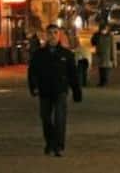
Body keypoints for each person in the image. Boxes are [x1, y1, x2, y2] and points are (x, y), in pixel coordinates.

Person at [27, 24, 82, 157]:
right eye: (50, 33)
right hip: (44, 90)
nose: (52, 36)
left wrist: (76, 91)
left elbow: (73, 74)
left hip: (60, 90)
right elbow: (32, 72)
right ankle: (50, 142)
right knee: (45, 118)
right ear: (46, 35)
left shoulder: (66, 54)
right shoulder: (39, 54)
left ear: (59, 35)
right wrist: (33, 87)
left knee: (60, 118)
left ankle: (58, 145)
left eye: (55, 33)